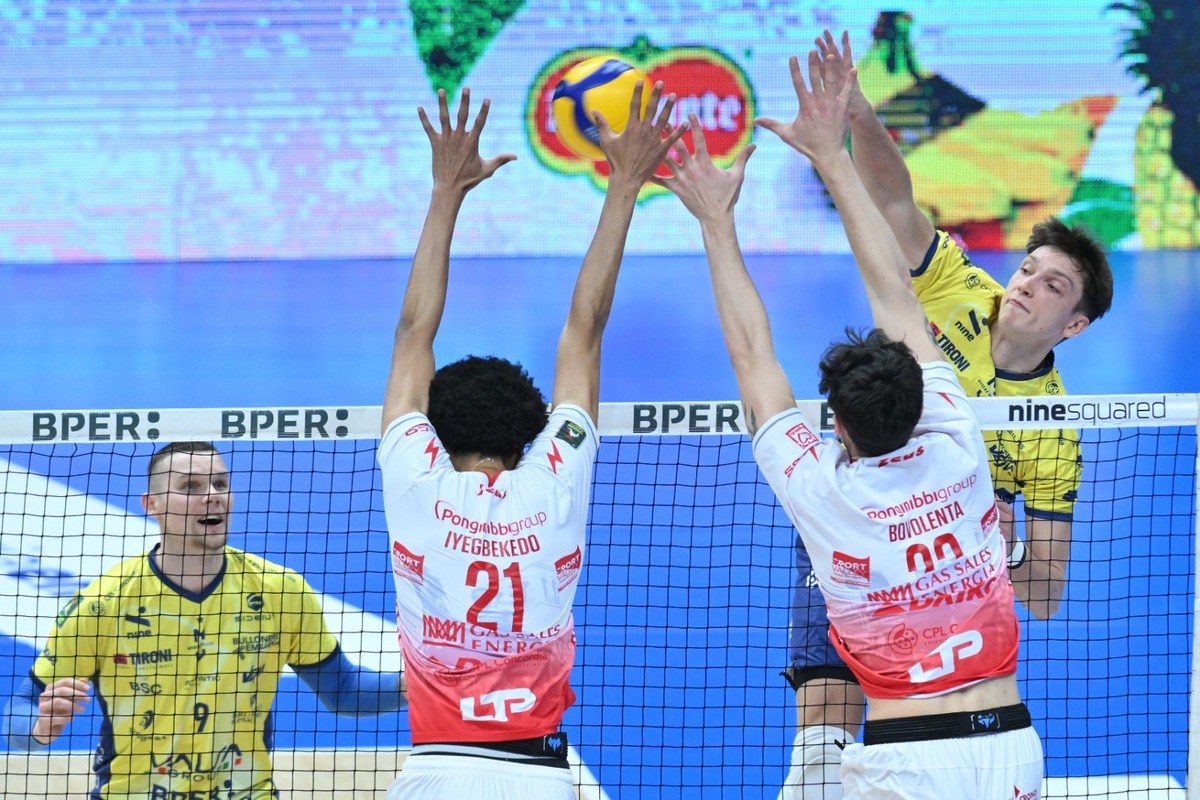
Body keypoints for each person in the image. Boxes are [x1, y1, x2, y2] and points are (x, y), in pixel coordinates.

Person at [658, 51, 1043, 798]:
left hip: (907, 761)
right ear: (921, 398)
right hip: (1011, 747)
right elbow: (896, 293)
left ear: (835, 424)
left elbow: (752, 356)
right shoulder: (958, 440)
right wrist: (833, 157)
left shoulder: (822, 492)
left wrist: (715, 221)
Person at [750, 30, 1113, 798]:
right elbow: (893, 202)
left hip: (940, 585)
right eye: (1029, 269)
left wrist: (1008, 549)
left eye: (1052, 287)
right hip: (852, 527)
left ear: (1075, 325)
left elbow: (1046, 595)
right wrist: (858, 114)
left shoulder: (1054, 436)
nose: (1026, 285)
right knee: (816, 759)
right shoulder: (960, 290)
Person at [376, 85, 683, 800]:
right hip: (537, 778)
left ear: (434, 430)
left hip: (434, 773)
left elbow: (413, 332)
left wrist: (446, 193)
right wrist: (625, 186)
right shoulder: (555, 479)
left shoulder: (416, 477)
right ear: (530, 434)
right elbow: (585, 330)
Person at [1, 441, 407, 800]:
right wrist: (39, 727)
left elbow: (343, 691)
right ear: (152, 505)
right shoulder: (101, 604)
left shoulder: (282, 592)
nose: (212, 496)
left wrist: (418, 684)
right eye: (190, 487)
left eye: (219, 484)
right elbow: (18, 713)